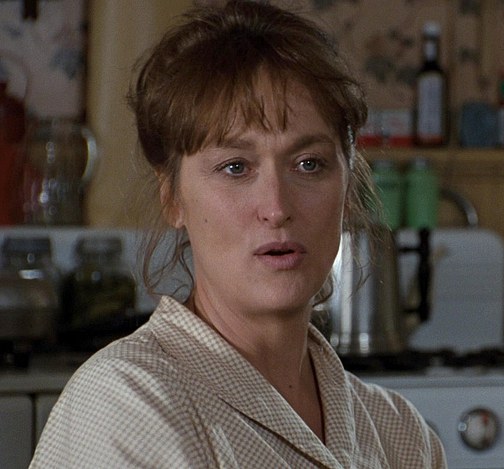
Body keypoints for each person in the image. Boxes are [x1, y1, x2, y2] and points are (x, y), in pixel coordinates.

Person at [30, 1, 446, 467]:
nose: (277, 208)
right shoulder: (126, 405)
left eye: (309, 164)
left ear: (348, 188)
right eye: (235, 167)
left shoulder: (400, 433)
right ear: (173, 198)